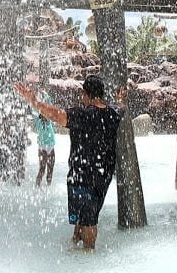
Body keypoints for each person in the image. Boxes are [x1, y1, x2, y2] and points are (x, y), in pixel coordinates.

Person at [15, 75, 121, 251]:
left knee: (89, 220)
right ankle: (76, 243)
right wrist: (120, 100)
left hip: (82, 176)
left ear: (85, 94)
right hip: (103, 175)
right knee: (87, 213)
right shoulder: (113, 114)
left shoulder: (84, 115)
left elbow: (57, 115)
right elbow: (121, 108)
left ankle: (89, 253)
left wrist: (34, 101)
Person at [33, 90, 56, 187]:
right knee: (42, 168)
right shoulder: (38, 121)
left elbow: (49, 105)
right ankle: (37, 186)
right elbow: (34, 109)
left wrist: (46, 95)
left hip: (51, 146)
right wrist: (34, 98)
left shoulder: (50, 120)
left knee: (50, 168)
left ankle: (48, 185)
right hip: (42, 147)